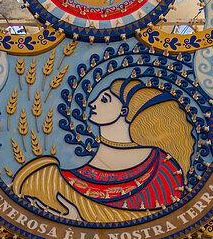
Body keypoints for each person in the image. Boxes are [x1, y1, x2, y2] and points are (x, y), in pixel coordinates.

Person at [13, 79, 193, 222]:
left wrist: (77, 225)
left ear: (125, 110)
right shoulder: (50, 180)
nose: (92, 103)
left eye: (104, 99)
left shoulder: (162, 168)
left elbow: (161, 224)